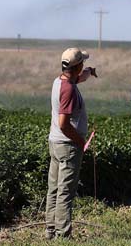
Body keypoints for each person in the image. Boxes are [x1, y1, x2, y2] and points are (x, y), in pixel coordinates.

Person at [45, 47, 97, 239]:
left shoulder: (60, 81)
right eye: (82, 63)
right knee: (65, 191)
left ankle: (51, 230)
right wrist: (81, 141)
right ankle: (63, 234)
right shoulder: (68, 90)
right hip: (68, 145)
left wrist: (90, 72)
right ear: (77, 66)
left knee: (54, 189)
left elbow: (78, 78)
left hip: (56, 143)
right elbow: (64, 124)